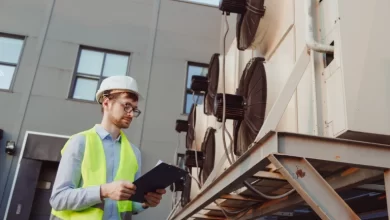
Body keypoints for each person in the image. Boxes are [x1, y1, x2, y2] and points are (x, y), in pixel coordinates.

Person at [50, 76, 166, 220]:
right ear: (107, 103)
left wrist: (145, 202)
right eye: (126, 106)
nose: (131, 114)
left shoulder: (134, 153)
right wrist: (104, 191)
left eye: (134, 109)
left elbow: (130, 204)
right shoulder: (80, 142)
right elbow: (58, 199)